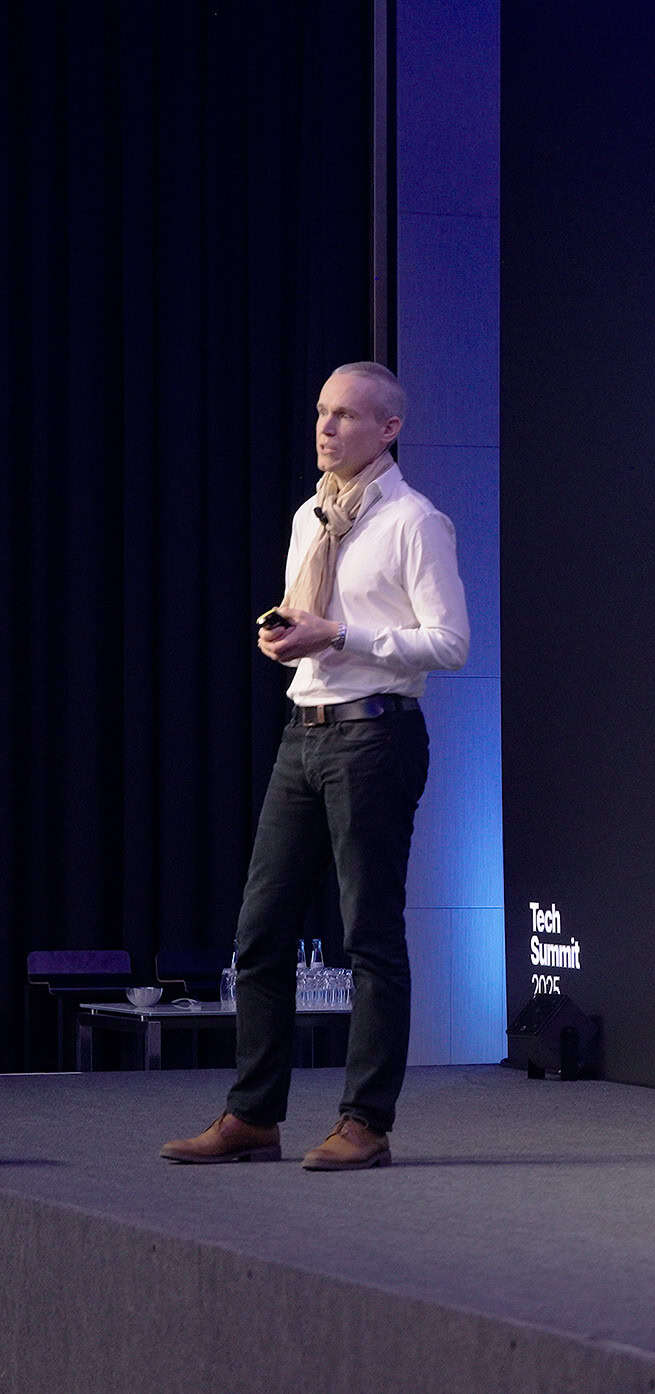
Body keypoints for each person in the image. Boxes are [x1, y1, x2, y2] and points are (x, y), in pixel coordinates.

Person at [161, 361, 469, 1170]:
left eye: (346, 416)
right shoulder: (313, 514)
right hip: (304, 732)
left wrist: (337, 635)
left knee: (369, 934)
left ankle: (366, 1123)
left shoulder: (415, 522)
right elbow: (310, 618)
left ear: (389, 429)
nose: (326, 428)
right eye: (322, 413)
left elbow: (450, 643)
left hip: (375, 735)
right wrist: (288, 635)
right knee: (259, 932)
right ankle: (253, 1116)